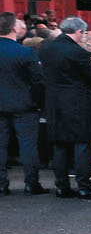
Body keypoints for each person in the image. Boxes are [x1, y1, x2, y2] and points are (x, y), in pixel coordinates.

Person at [39, 17, 91, 199]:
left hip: (54, 102)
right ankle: (84, 186)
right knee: (82, 145)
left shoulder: (47, 48)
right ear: (79, 32)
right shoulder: (77, 51)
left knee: (60, 146)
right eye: (84, 33)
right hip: (79, 103)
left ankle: (62, 186)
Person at [0, 11, 45, 195]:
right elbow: (38, 81)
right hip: (24, 105)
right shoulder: (25, 52)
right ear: (14, 29)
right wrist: (38, 101)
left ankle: (1, 184)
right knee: (28, 145)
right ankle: (31, 183)